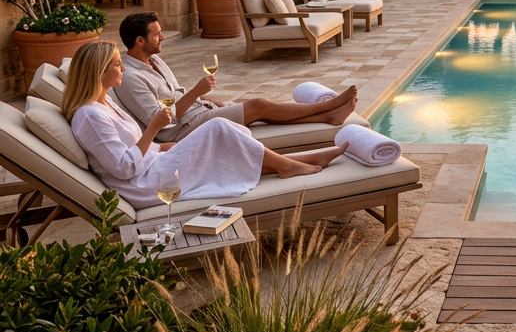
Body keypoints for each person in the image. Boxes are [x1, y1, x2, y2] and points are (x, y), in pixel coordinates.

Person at [64, 41, 349, 209]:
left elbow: (130, 148)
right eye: (116, 64)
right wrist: (153, 130)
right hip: (146, 184)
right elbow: (124, 168)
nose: (122, 67)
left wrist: (161, 147)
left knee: (234, 133)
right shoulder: (89, 116)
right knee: (219, 128)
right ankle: (288, 165)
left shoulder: (104, 102)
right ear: (98, 72)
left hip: (154, 163)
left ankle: (295, 160)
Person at [116, 11, 358, 142]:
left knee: (259, 114)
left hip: (197, 113)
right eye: (157, 34)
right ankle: (329, 105)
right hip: (181, 130)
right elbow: (161, 122)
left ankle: (329, 116)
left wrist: (207, 101)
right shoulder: (130, 77)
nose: (163, 38)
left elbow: (175, 94)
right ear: (140, 41)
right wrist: (197, 93)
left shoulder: (155, 60)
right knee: (259, 105)